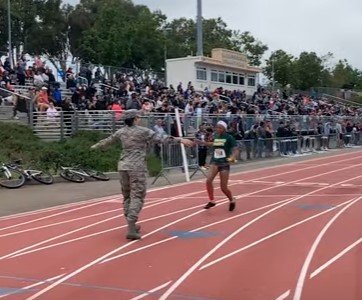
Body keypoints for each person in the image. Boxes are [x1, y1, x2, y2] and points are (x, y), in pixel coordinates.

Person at [90, 109, 194, 241]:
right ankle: (131, 227)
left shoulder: (121, 131)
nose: (139, 119)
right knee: (137, 195)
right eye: (138, 117)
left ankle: (130, 223)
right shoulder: (143, 131)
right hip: (137, 167)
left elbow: (108, 141)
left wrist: (94, 147)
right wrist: (181, 140)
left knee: (127, 195)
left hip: (123, 166)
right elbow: (163, 138)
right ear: (134, 119)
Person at [196, 120, 239, 211]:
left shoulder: (229, 138)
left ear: (224, 128)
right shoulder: (216, 136)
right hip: (215, 162)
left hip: (224, 163)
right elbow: (213, 144)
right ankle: (212, 201)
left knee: (223, 187)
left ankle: (232, 199)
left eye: (220, 127)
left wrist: (232, 157)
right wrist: (202, 142)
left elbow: (236, 150)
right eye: (217, 127)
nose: (218, 129)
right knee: (208, 181)